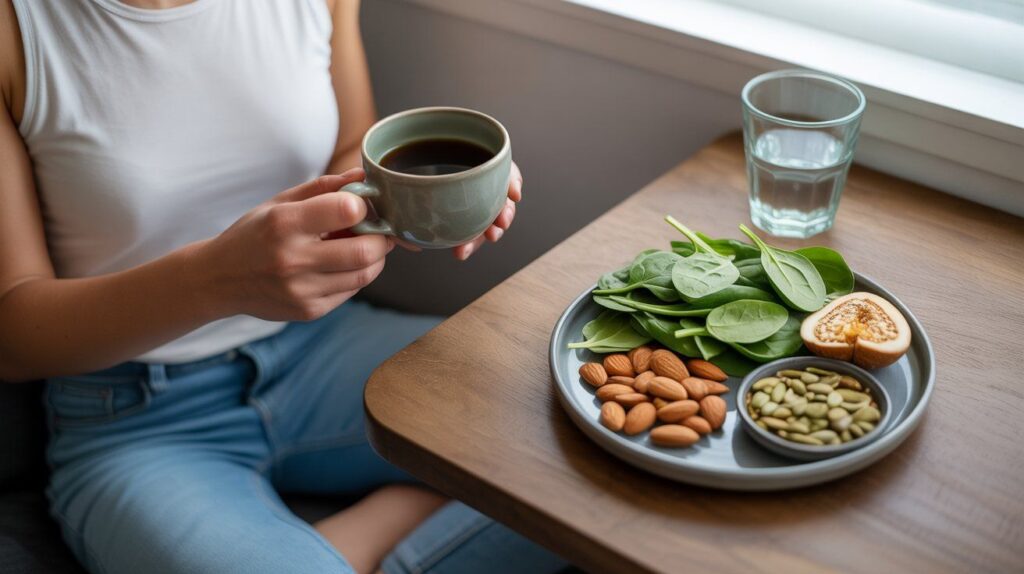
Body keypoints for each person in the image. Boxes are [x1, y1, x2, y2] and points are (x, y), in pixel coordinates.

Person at [0, 1, 567, 573]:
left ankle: (355, 548)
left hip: (321, 350)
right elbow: (12, 336)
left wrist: (414, 203)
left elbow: (351, 151)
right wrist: (215, 280)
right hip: (136, 419)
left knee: (574, 434)